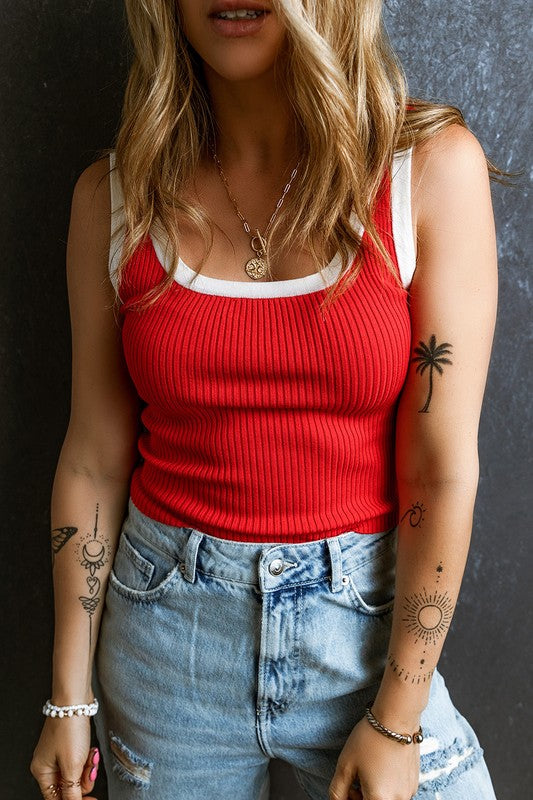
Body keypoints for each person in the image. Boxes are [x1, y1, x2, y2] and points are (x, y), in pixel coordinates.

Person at [30, 1, 506, 798]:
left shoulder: (424, 171)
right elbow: (91, 459)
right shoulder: (114, 198)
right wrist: (67, 697)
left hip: (366, 636)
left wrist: (399, 716)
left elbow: (440, 469)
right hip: (165, 641)